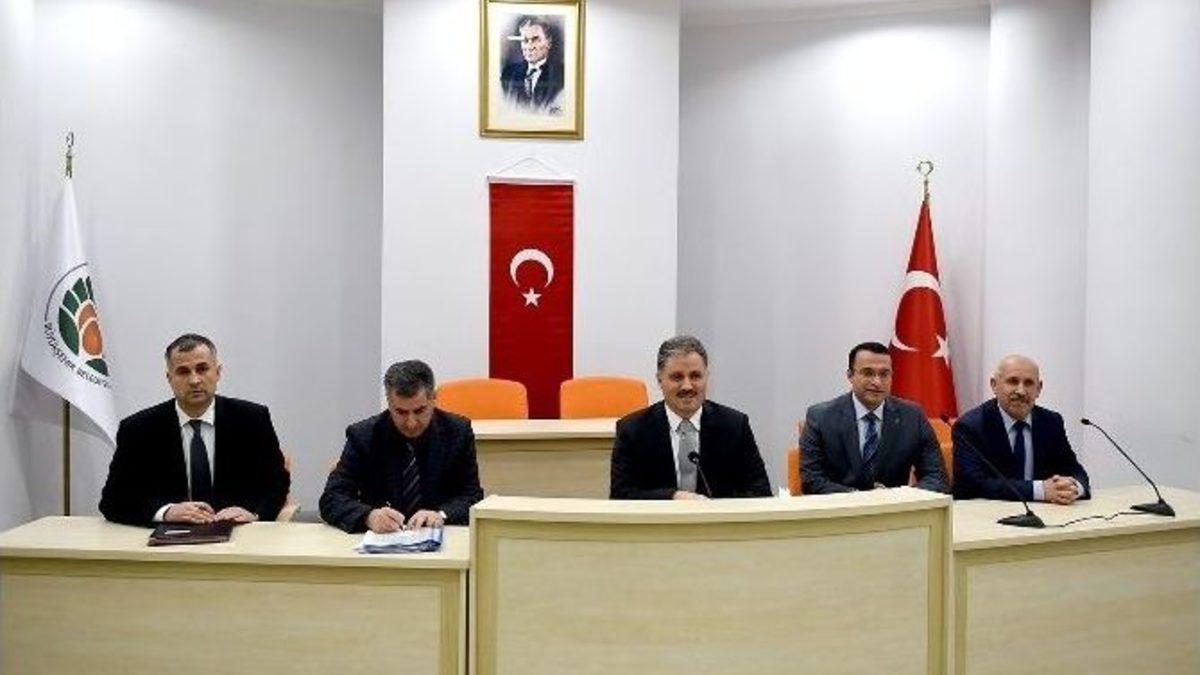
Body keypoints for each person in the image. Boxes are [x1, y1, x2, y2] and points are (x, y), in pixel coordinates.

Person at [99, 333, 290, 526]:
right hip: (170, 537)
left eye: (202, 369)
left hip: (238, 533)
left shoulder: (252, 419)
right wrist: (166, 512)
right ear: (169, 378)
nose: (194, 380)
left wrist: (254, 514)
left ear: (218, 372)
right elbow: (113, 500)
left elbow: (277, 485)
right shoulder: (138, 429)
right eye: (183, 372)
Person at [320, 360, 483, 533]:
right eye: (401, 412)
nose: (411, 423)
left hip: (439, 537)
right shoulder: (363, 436)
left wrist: (441, 515)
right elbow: (331, 498)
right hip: (382, 539)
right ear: (389, 403)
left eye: (419, 411)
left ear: (433, 399)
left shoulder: (457, 431)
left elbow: (472, 496)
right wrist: (369, 516)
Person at [610, 335, 771, 500]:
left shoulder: (735, 425)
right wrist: (672, 496)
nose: (687, 386)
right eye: (677, 377)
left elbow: (760, 492)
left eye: (695, 376)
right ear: (659, 380)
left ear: (706, 377)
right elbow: (621, 496)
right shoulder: (632, 430)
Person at [800, 342, 949, 494]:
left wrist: (898, 496)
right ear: (850, 376)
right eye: (868, 373)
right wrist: (861, 498)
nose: (877, 382)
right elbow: (811, 480)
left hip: (895, 506)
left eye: (884, 374)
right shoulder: (821, 417)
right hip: (841, 507)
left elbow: (937, 478)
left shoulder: (912, 416)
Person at [953, 355, 1090, 503]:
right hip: (991, 512)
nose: (1021, 391)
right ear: (994, 385)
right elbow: (972, 484)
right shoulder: (971, 425)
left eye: (1029, 383)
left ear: (1039, 389)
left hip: (1045, 512)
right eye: (1013, 381)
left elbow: (1074, 470)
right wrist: (1040, 491)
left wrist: (1073, 488)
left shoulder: (1051, 422)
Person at [500, 15, 565, 113]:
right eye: (525, 40)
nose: (529, 47)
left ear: (548, 42)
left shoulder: (562, 75)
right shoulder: (508, 73)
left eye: (535, 39)